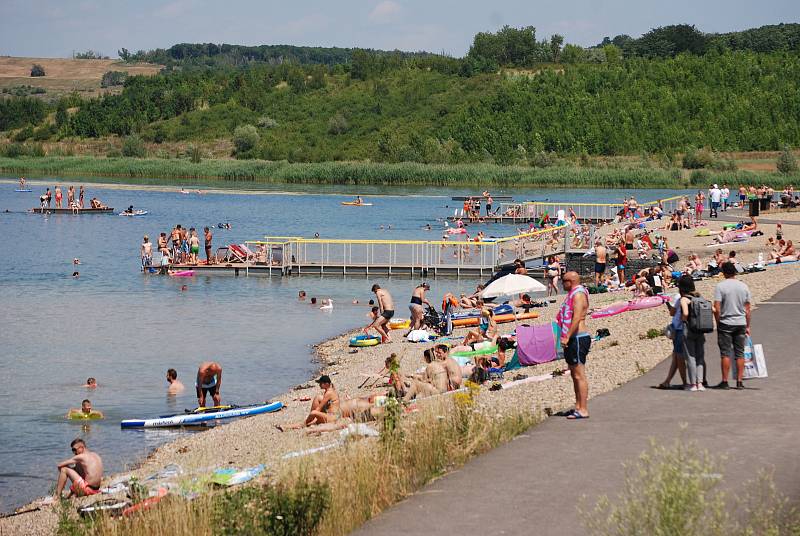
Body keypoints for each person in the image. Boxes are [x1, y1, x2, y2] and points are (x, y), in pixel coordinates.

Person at [557, 272, 590, 419]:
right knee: (574, 374)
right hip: (574, 338)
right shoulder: (574, 293)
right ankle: (578, 406)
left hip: (577, 337)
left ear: (570, 281)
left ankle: (583, 409)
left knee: (579, 375)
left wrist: (567, 336)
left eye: (563, 281)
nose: (562, 284)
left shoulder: (578, 295)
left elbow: (576, 317)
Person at [713, 262, 751, 390]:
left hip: (726, 322)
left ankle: (725, 381)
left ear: (724, 272)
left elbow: (717, 308)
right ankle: (739, 381)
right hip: (741, 322)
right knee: (740, 353)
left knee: (725, 353)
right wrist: (748, 326)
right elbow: (747, 309)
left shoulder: (720, 286)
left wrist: (718, 322)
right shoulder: (744, 286)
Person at [674, 275, 707, 391]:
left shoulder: (684, 299)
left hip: (688, 330)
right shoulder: (699, 296)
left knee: (691, 357)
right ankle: (700, 383)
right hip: (700, 329)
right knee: (700, 357)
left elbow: (686, 313)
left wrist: (683, 320)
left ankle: (693, 384)